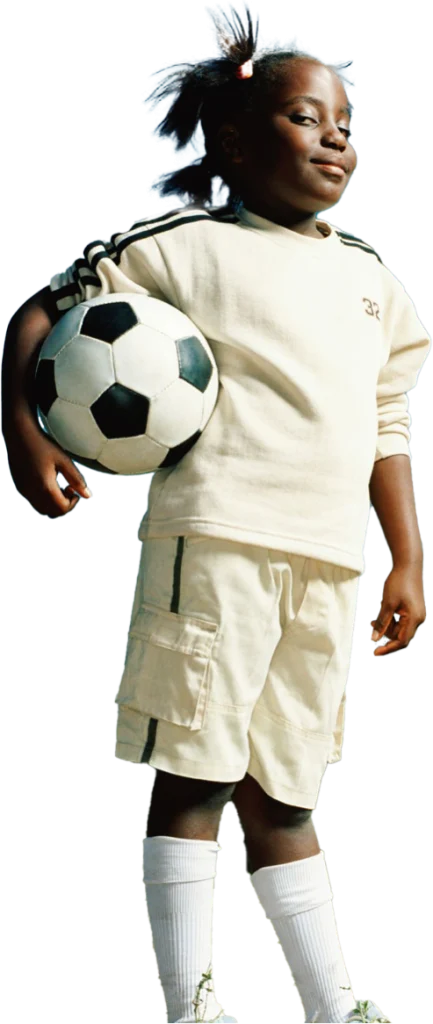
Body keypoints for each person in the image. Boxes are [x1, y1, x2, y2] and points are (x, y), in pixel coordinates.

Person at [1, 4, 430, 1023]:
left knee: (288, 785)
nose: (333, 140)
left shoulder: (373, 285)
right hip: (218, 542)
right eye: (304, 118)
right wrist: (26, 435)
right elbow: (43, 310)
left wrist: (404, 557)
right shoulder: (187, 249)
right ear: (235, 143)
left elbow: (386, 424)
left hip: (325, 563)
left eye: (344, 126)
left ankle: (327, 999)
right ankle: (188, 1000)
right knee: (191, 772)